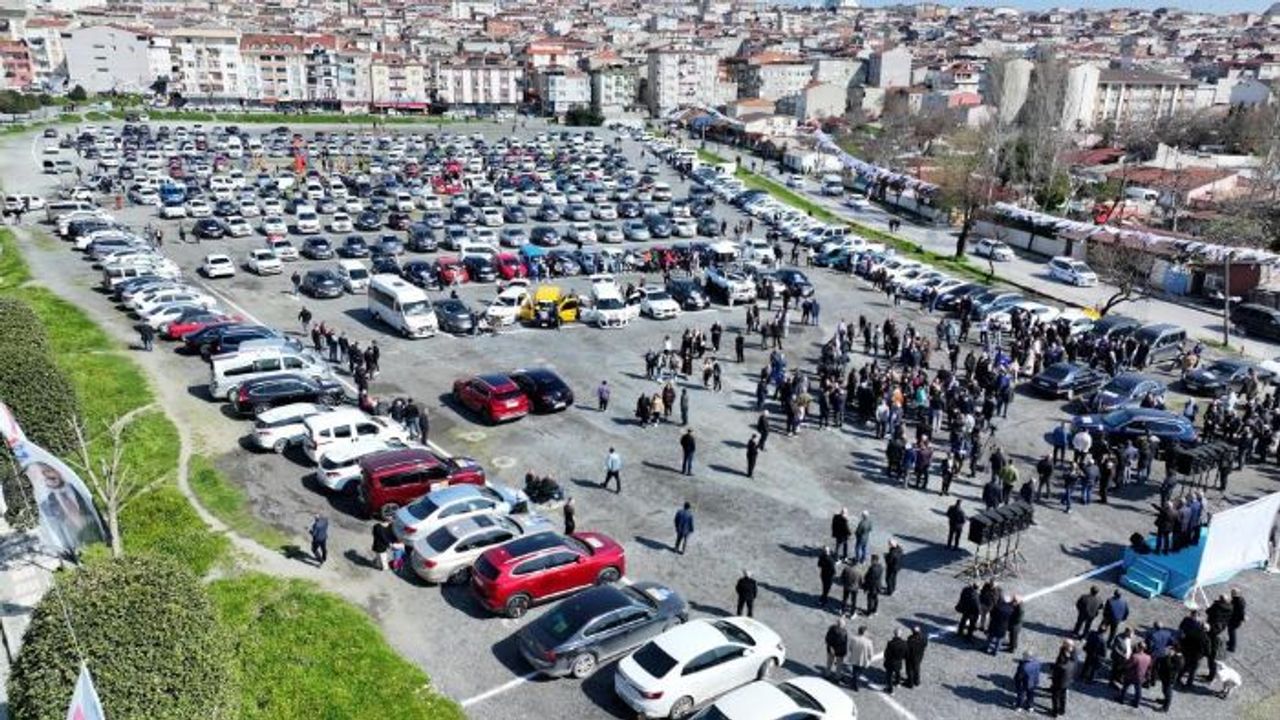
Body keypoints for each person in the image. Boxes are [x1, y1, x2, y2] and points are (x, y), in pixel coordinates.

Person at [1118, 641, 1151, 708]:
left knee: (1125, 687)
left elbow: (1128, 665)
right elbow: (1148, 667)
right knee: (1138, 690)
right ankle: (1136, 703)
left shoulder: (1135, 656)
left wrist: (1123, 665)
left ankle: (1121, 699)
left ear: (1138, 647)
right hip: (1141, 676)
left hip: (1131, 675)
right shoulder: (1148, 657)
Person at [1050, 641, 1076, 717]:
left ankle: (1055, 712)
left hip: (1059, 683)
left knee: (1055, 697)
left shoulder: (1061, 666)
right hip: (1067, 682)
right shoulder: (1072, 661)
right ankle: (1062, 710)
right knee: (1063, 697)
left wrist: (1053, 668)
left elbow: (1056, 671)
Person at [1156, 645, 1184, 712]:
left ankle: (1165, 708)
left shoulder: (1179, 659)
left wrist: (1168, 656)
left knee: (1168, 692)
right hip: (1165, 676)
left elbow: (1170, 667)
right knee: (1164, 690)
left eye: (1172, 649)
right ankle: (1164, 700)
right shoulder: (1176, 656)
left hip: (1169, 678)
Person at [849, 626, 874, 691]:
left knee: (855, 671)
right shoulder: (868, 641)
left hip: (854, 657)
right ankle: (855, 684)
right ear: (864, 632)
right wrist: (870, 658)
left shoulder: (853, 639)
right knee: (859, 672)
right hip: (863, 659)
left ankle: (854, 682)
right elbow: (870, 652)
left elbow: (850, 648)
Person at [883, 629, 908, 694]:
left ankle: (890, 689)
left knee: (889, 676)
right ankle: (898, 683)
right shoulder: (904, 643)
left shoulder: (890, 643)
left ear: (894, 634)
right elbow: (906, 653)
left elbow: (886, 653)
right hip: (898, 661)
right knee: (898, 672)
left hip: (890, 662)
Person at [1227, 587, 1246, 653]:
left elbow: (1239, 612)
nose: (1231, 594)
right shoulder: (1241, 599)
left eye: (1232, 593)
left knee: (1232, 632)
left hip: (1234, 620)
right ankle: (1230, 642)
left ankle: (1232, 647)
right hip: (1236, 620)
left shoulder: (1236, 601)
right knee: (1231, 632)